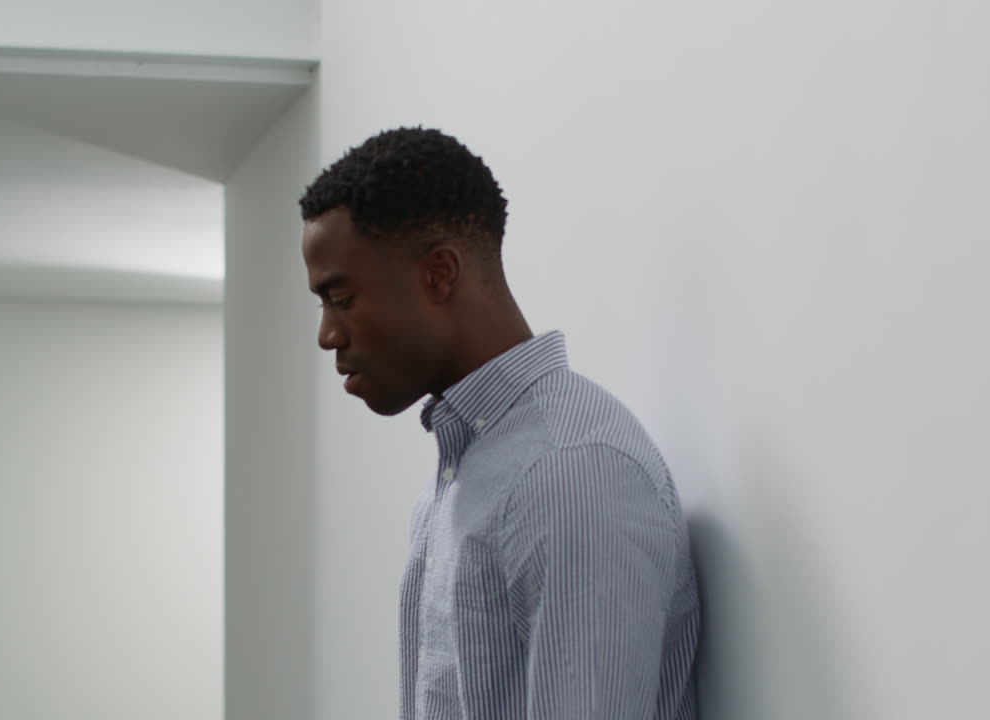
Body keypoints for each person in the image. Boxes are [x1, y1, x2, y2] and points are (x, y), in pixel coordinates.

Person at [298, 127, 699, 719]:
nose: (327, 335)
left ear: (439, 274)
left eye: (343, 298)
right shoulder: (466, 475)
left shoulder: (571, 473)